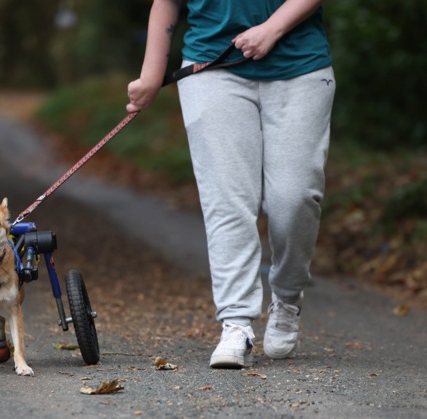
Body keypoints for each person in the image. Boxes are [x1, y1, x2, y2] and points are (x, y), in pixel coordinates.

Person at [127, 0, 335, 368]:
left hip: (300, 67)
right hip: (211, 69)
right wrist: (150, 76)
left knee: (294, 199)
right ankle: (236, 323)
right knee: (227, 200)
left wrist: (272, 29)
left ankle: (287, 297)